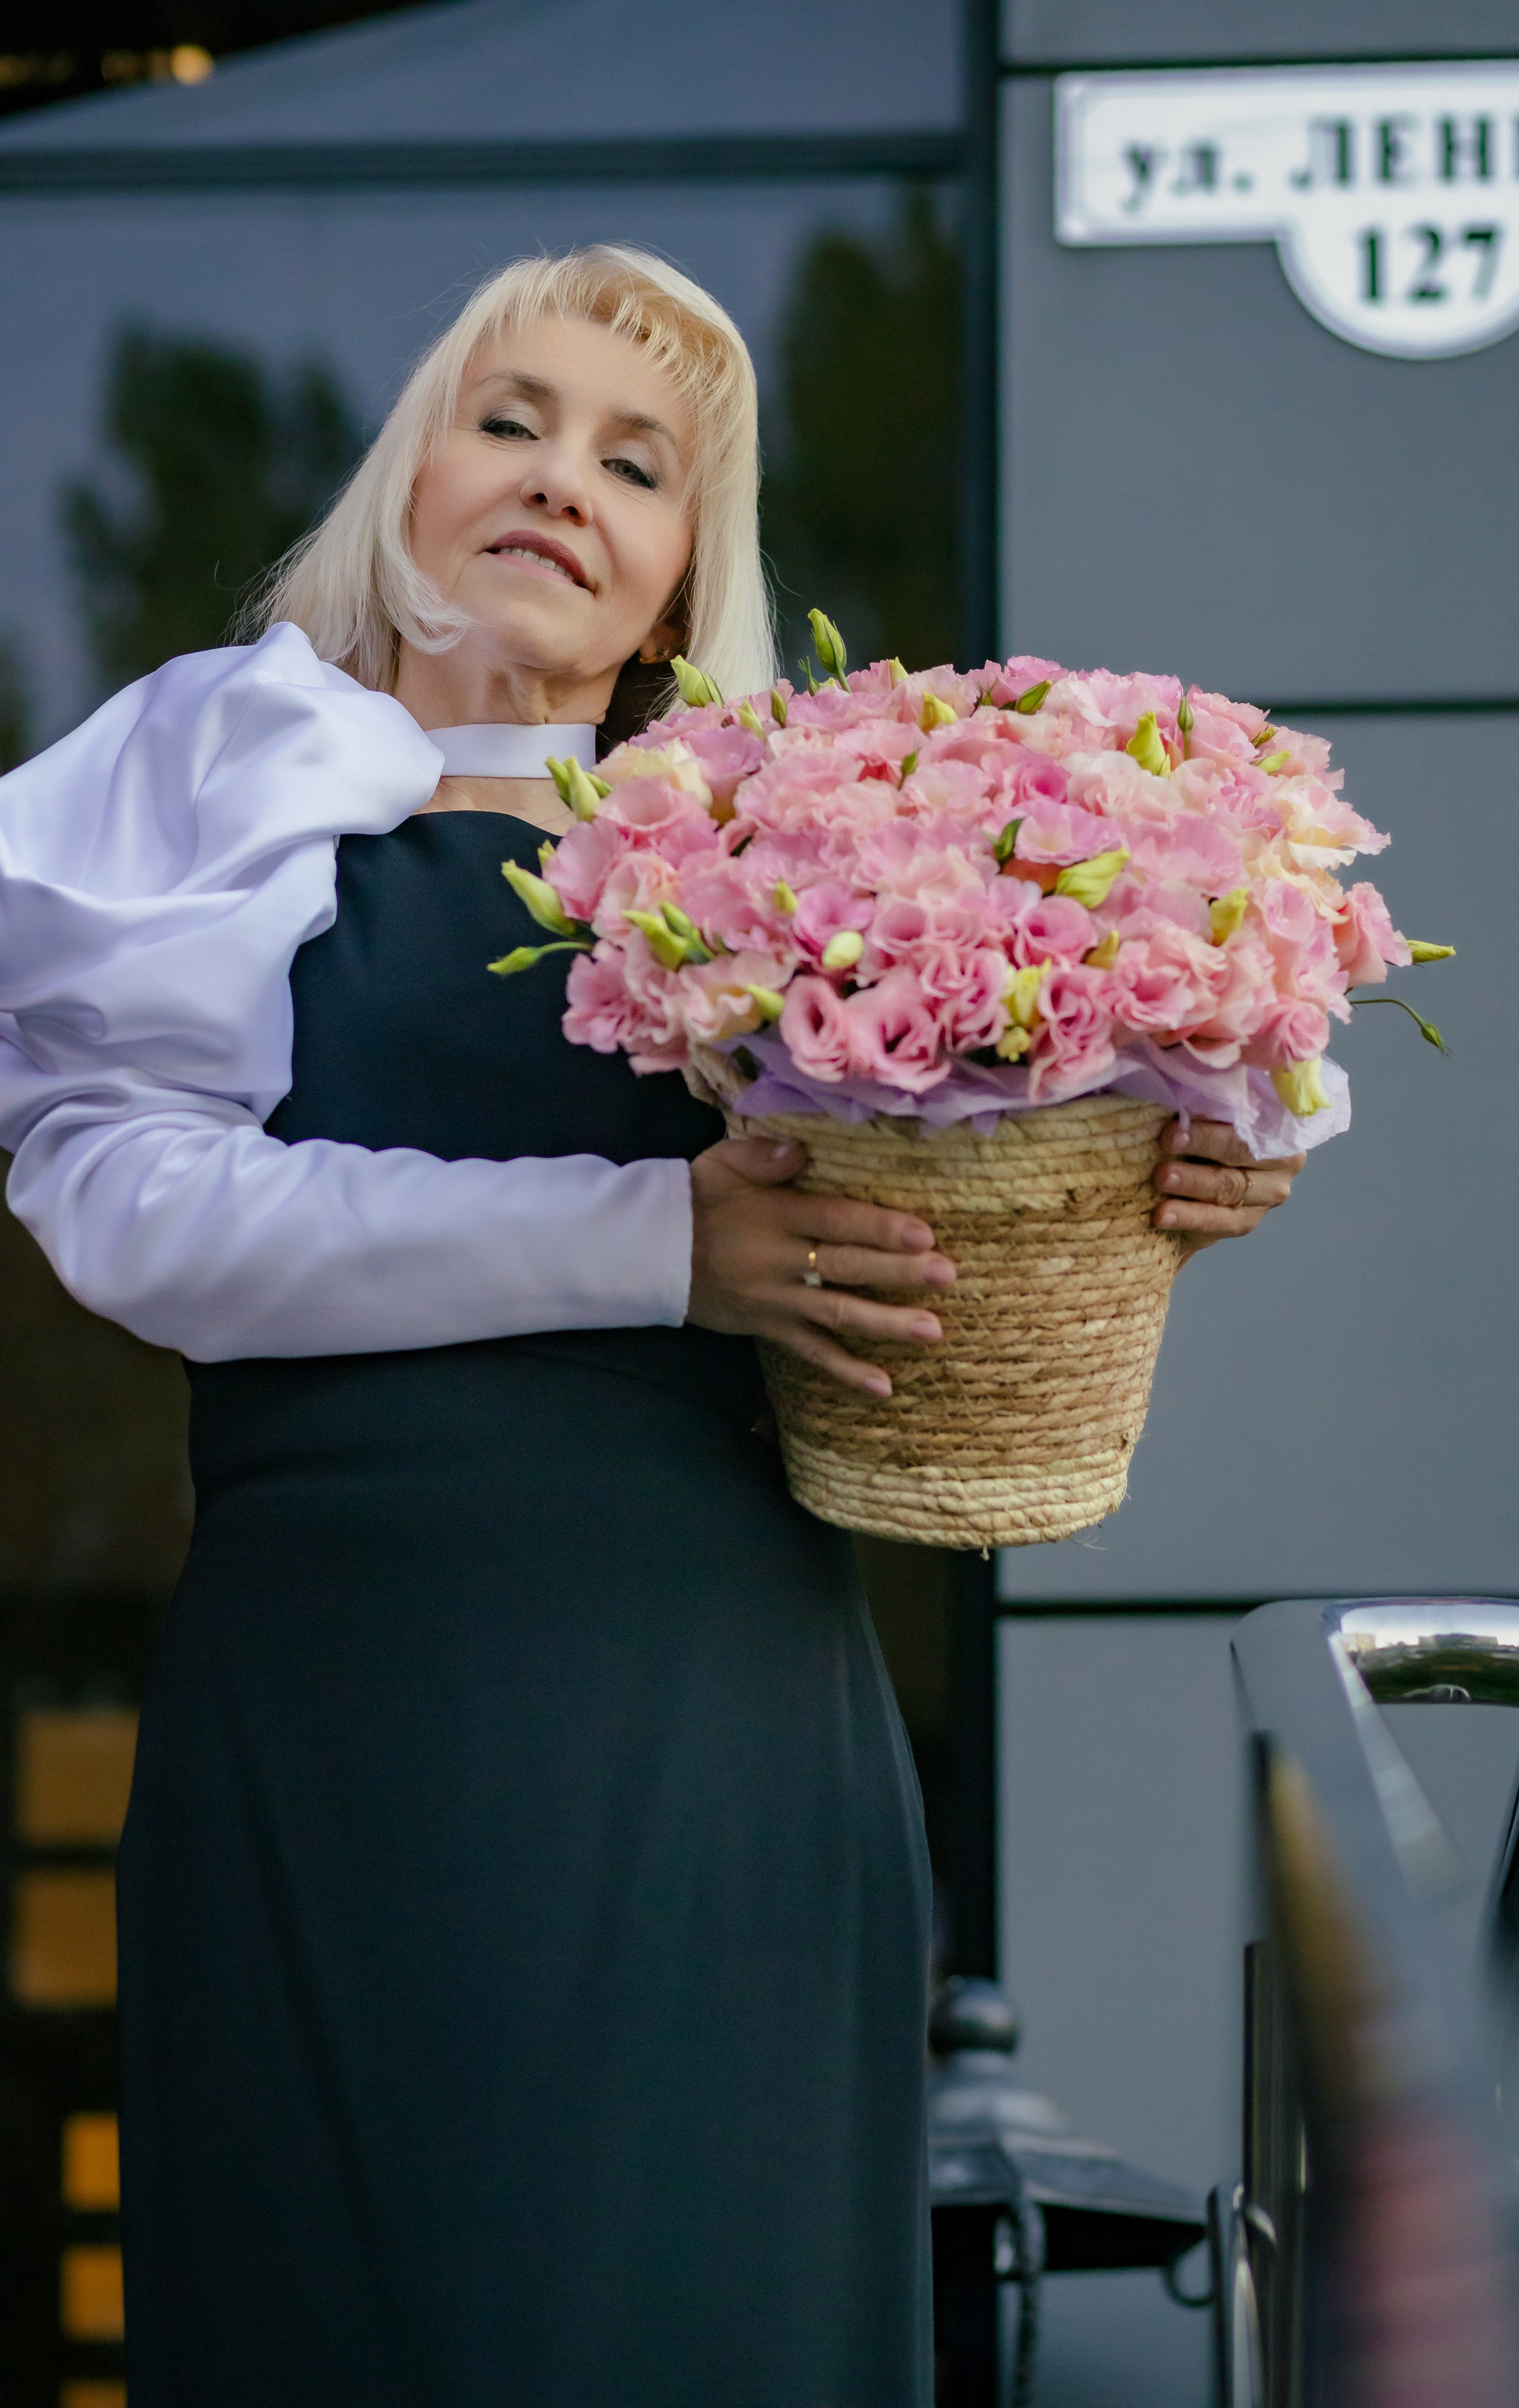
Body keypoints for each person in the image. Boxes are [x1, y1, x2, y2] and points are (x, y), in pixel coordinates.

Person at [0, 248, 1303, 2406]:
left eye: (638, 462)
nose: (559, 482)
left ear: (685, 566)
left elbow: (957, 1242)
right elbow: (138, 1221)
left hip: (733, 1720)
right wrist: (654, 1245)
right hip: (367, 1726)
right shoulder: (225, 761)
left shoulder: (788, 850)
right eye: (506, 421)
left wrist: (1171, 1158)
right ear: (406, 476)